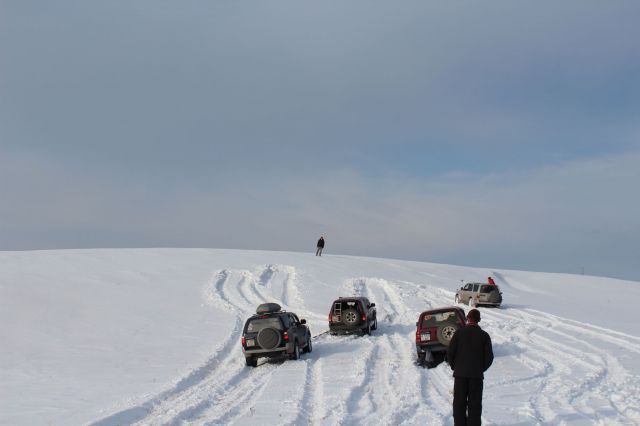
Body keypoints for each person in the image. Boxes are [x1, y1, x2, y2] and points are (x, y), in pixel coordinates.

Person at [447, 309, 494, 426]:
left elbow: (450, 353)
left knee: (459, 404)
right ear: (479, 320)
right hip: (476, 376)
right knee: (475, 405)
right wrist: (479, 369)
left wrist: (455, 367)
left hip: (460, 375)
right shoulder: (484, 336)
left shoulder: (459, 333)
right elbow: (489, 357)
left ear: (468, 318)